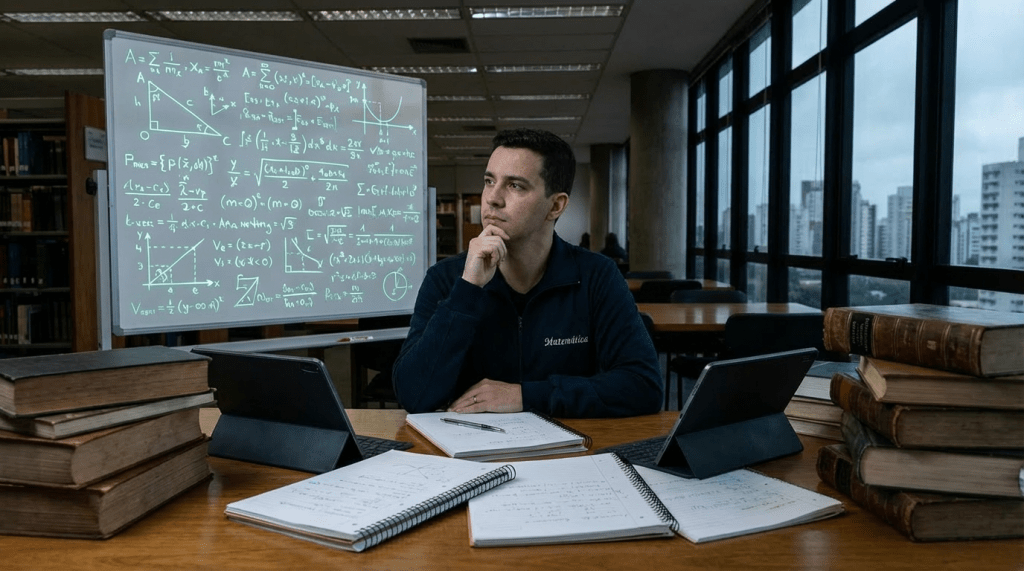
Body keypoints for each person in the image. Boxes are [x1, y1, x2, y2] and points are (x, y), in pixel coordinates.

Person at [392, 128, 662, 418]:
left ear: (555, 206)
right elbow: (413, 395)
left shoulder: (597, 276)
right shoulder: (446, 278)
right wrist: (467, 290)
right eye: (489, 181)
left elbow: (643, 386)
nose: (492, 199)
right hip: (471, 454)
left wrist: (525, 395)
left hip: (570, 453)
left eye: (515, 186)